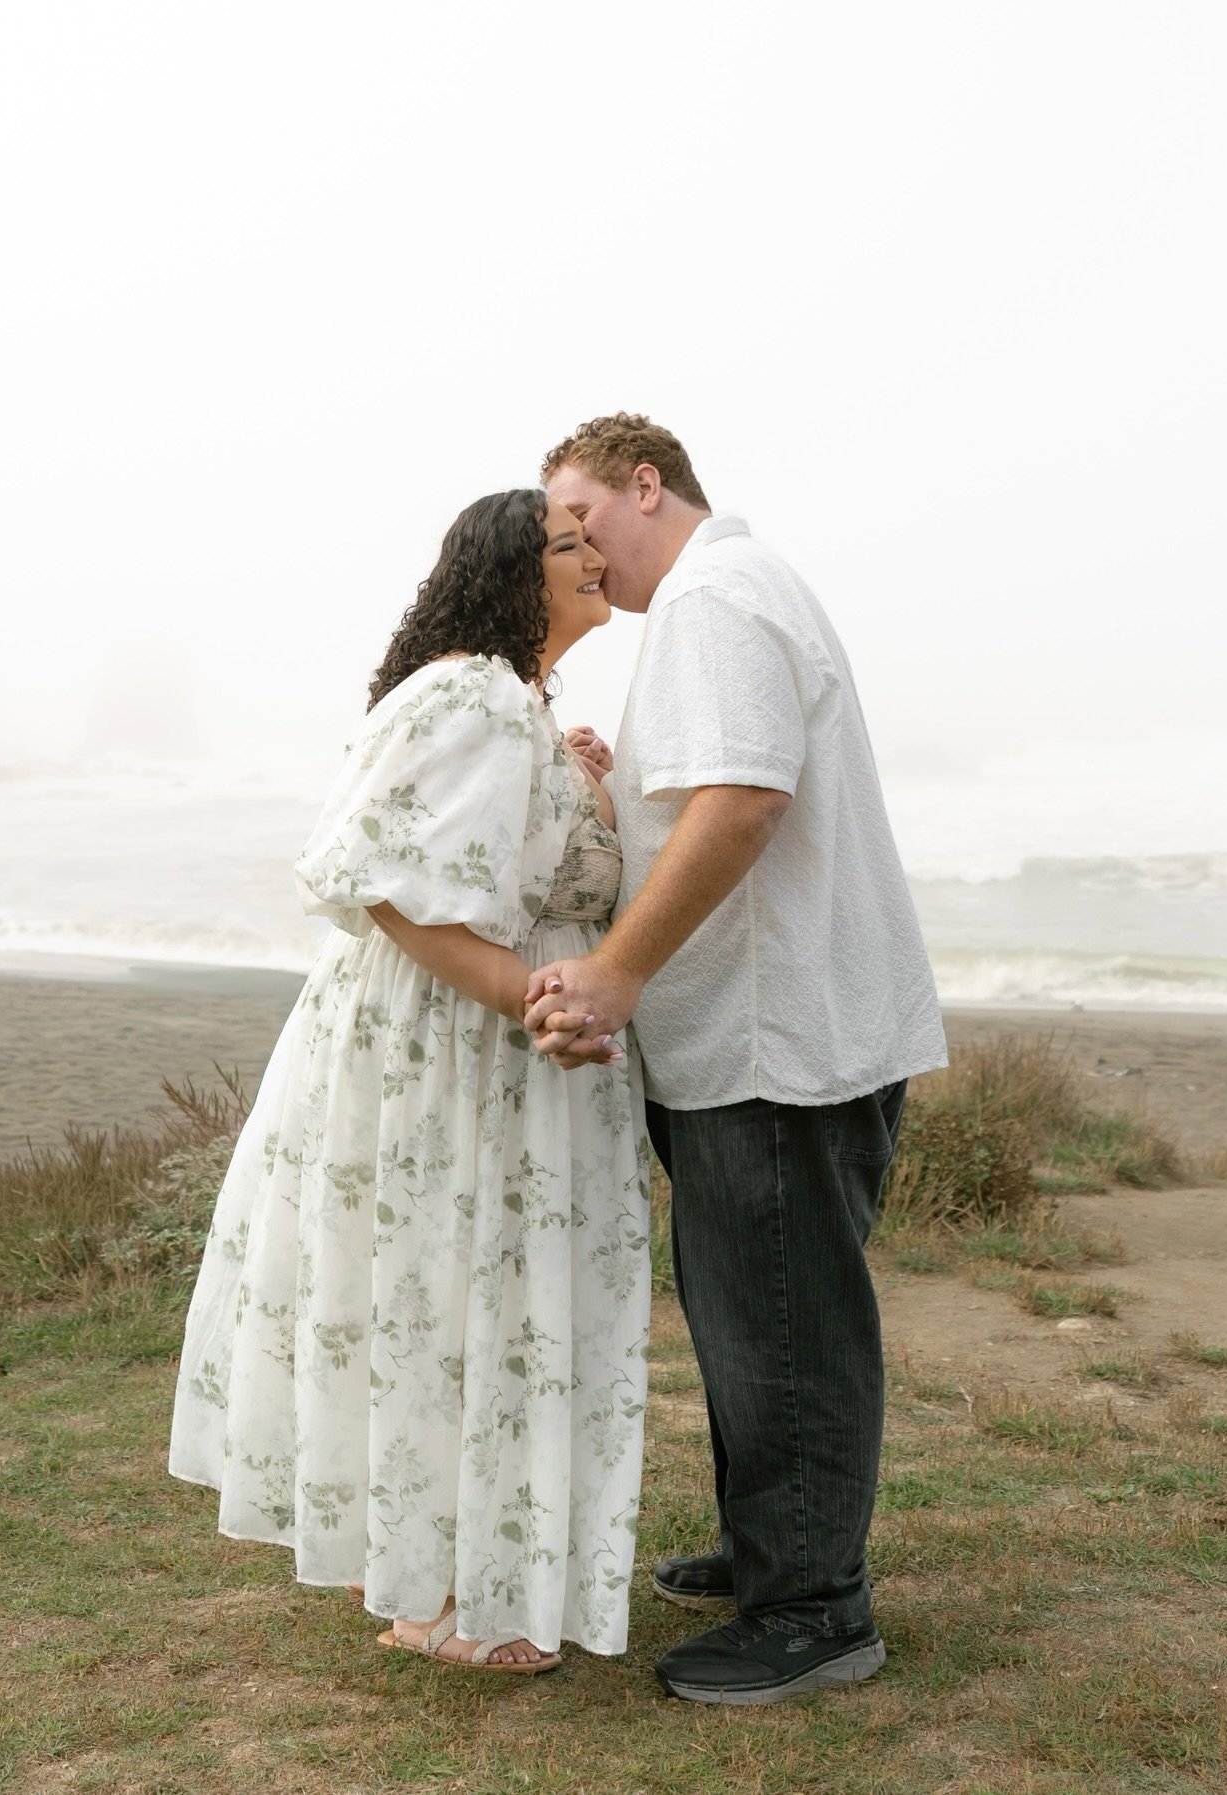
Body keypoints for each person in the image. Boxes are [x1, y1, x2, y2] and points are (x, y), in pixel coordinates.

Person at [169, 488, 651, 1674]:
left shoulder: (513, 705)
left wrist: (575, 781)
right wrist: (529, 999)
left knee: (446, 1301)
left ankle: (439, 1580)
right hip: (458, 1051)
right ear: (505, 573)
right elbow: (384, 882)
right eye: (565, 545)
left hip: (474, 1047)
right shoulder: (476, 692)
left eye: (590, 539)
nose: (592, 557)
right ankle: (446, 1599)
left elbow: (496, 864)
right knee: (450, 1299)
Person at [524, 413, 947, 1704]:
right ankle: (777, 1549)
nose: (575, 549)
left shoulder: (714, 597)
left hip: (782, 1050)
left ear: (648, 485)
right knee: (750, 1314)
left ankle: (815, 1606)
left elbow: (745, 799)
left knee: (784, 1325)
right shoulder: (723, 596)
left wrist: (616, 971)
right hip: (764, 1045)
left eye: (581, 517)